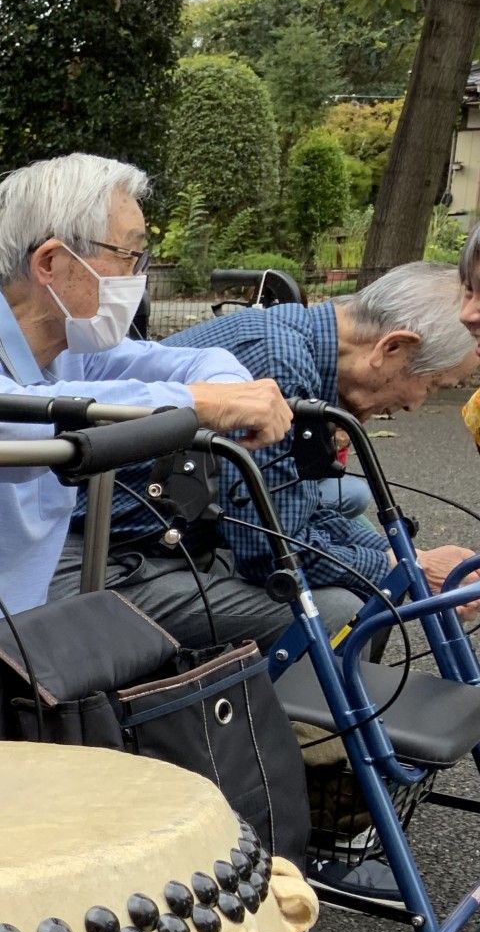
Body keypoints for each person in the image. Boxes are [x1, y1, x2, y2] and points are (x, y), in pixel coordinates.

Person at [0, 152, 288, 732]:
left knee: (173, 695)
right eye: (129, 255)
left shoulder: (67, 353)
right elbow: (12, 412)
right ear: (52, 261)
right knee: (148, 732)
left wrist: (227, 392)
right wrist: (201, 405)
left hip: (3, 639)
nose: (138, 274)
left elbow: (199, 361)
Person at [51, 261, 480, 649]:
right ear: (392, 348)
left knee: (363, 544)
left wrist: (410, 561)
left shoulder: (301, 346)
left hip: (150, 542)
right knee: (337, 612)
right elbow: (271, 553)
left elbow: (300, 513)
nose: (416, 406)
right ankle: (286, 734)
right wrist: (401, 569)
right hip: (91, 563)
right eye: (433, 385)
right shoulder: (281, 365)